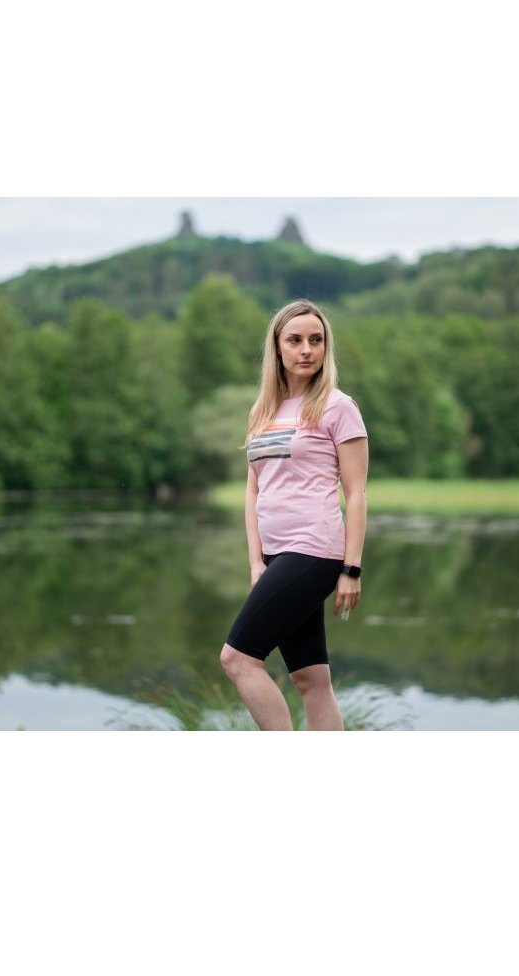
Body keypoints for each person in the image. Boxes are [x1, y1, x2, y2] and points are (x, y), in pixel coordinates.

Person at [220, 299, 369, 730]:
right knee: (310, 678)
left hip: (314, 550)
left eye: (316, 340)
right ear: (277, 348)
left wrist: (352, 569)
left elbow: (356, 492)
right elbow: (254, 489)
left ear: (326, 348)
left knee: (237, 659)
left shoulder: (338, 407)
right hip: (276, 553)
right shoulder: (262, 410)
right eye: (295, 340)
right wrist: (256, 561)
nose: (307, 349)